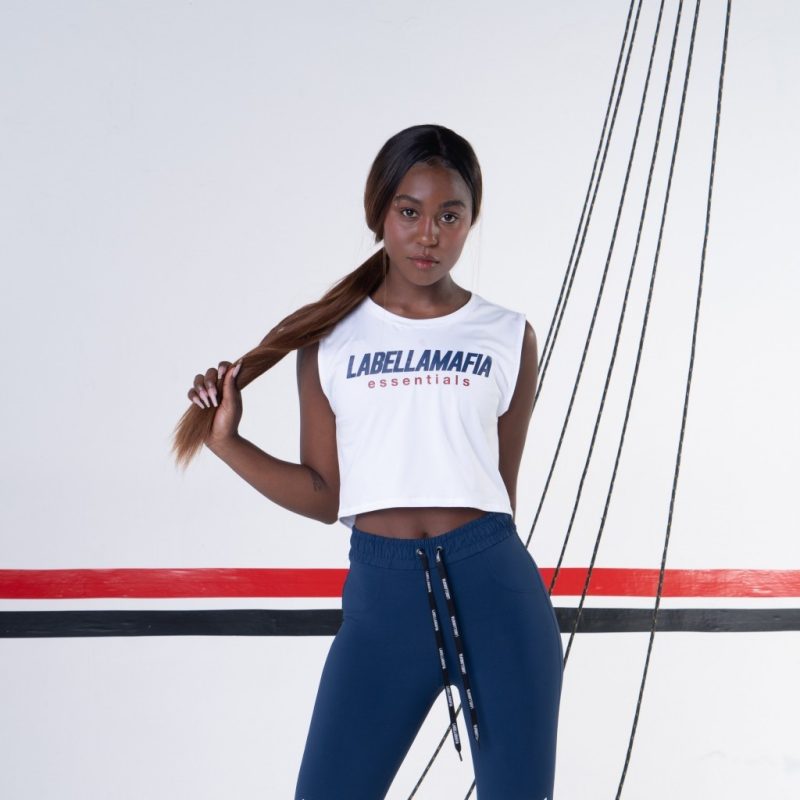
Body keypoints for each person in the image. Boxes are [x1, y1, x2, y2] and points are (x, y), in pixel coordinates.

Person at [172, 124, 563, 800]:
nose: (428, 234)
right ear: (379, 212)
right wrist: (227, 442)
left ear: (471, 222)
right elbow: (325, 494)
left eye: (450, 216)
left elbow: (500, 490)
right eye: (410, 212)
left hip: (498, 593)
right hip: (384, 603)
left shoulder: (508, 335)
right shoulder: (328, 339)